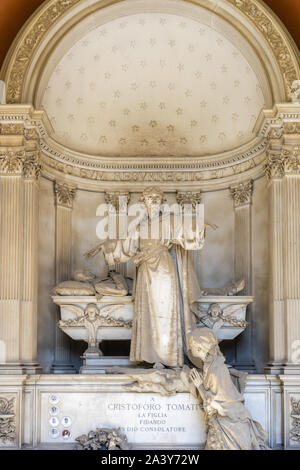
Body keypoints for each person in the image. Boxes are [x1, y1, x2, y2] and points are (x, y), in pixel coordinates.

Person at [86, 187, 206, 368]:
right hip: (144, 272)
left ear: (162, 202)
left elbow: (188, 231)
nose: (154, 200)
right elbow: (126, 247)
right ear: (144, 202)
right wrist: (104, 247)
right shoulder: (140, 227)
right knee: (148, 314)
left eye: (157, 197)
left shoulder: (169, 221)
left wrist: (200, 227)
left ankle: (169, 358)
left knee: (166, 312)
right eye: (150, 198)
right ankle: (152, 358)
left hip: (165, 271)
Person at [185, 327, 269, 450]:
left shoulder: (216, 370)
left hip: (229, 423)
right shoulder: (210, 365)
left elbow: (215, 402)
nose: (189, 348)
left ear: (199, 347)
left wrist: (199, 385)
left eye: (191, 345)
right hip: (225, 420)